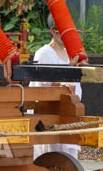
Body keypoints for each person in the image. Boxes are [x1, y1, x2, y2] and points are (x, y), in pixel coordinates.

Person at [29, 13, 82, 160]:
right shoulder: (43, 53)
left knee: (70, 157)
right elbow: (42, 82)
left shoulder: (71, 54)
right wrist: (60, 84)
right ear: (53, 32)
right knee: (50, 157)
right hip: (49, 115)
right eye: (62, 32)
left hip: (69, 112)